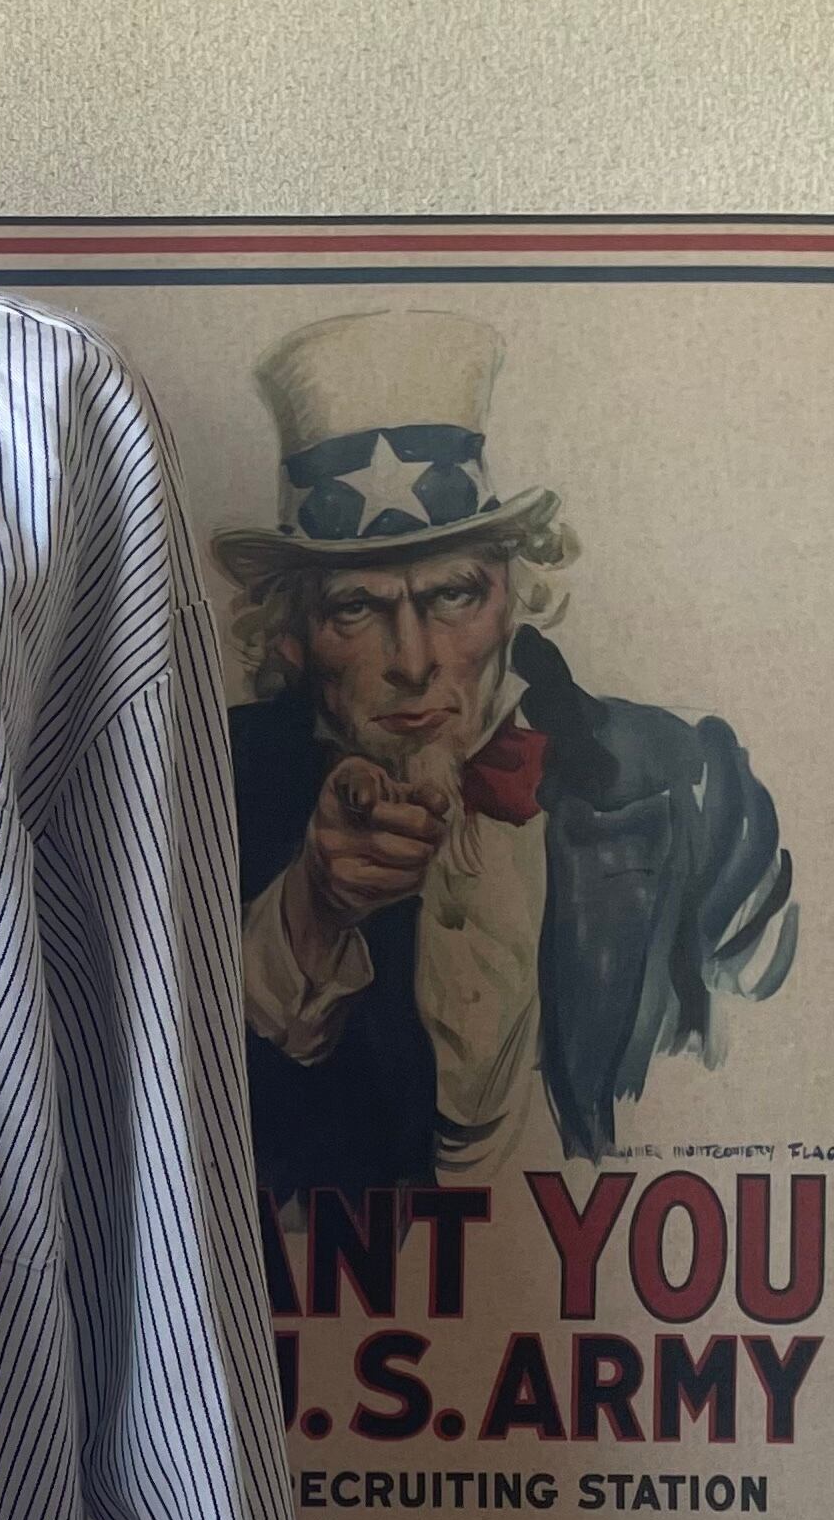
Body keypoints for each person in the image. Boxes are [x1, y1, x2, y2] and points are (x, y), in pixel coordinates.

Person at [218, 308, 799, 1199]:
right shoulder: (209, 785)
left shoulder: (690, 780)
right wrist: (313, 910)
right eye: (356, 609)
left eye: (453, 594)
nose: (414, 662)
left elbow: (766, 1078)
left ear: (518, 594)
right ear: (291, 635)